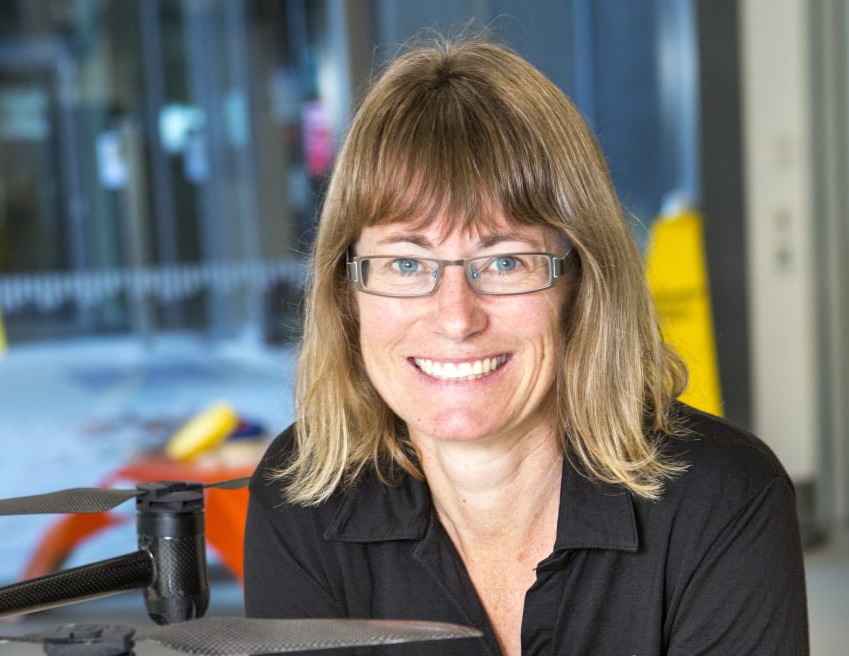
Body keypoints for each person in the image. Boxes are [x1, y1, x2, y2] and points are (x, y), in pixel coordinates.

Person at [244, 34, 810, 655]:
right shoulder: (302, 494)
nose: (455, 317)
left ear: (582, 284)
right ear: (347, 293)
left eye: (506, 261)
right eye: (406, 264)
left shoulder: (723, 499)